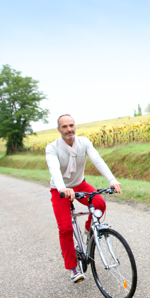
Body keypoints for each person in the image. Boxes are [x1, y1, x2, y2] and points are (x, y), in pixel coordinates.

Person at [46, 114, 122, 283]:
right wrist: (63, 188)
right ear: (59, 129)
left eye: (71, 125)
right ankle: (73, 268)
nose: (69, 129)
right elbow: (54, 169)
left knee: (99, 203)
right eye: (64, 127)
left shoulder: (84, 142)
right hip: (60, 190)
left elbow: (97, 159)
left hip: (80, 184)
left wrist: (112, 180)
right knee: (65, 228)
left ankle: (89, 230)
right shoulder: (52, 148)